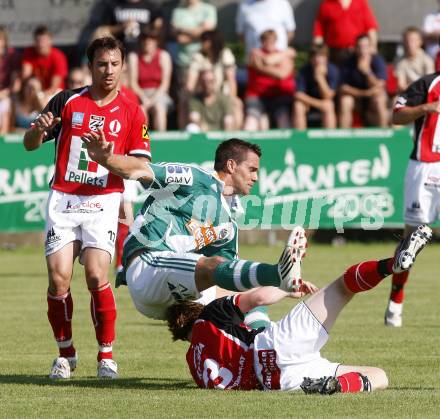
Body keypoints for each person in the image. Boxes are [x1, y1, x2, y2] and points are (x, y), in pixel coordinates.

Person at [166, 224, 432, 392]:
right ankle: (391, 265)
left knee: (378, 377)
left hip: (278, 381)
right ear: (196, 306)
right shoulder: (210, 315)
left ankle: (334, 387)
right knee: (342, 287)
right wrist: (286, 288)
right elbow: (256, 299)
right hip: (274, 346)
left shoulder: (194, 365)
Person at [23, 37, 152, 379]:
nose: (107, 71)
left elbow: (139, 167)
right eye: (101, 64)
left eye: (114, 64)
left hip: (104, 200)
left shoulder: (132, 111)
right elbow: (29, 143)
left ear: (122, 66)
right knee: (58, 279)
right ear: (90, 66)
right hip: (64, 199)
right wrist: (38, 132)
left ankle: (106, 355)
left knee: (96, 275)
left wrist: (106, 158)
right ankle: (65, 355)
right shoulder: (68, 101)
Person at [81, 136, 307, 321]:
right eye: (252, 169)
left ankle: (264, 354)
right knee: (215, 267)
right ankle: (277, 273)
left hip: (177, 294)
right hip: (147, 267)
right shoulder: (194, 178)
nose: (256, 177)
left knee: (244, 299)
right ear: (231, 165)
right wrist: (107, 158)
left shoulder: (229, 225)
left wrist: (285, 289)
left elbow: (228, 275)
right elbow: (141, 169)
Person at [385, 69, 440, 326]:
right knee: (412, 239)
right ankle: (396, 301)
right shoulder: (427, 84)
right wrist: (427, 107)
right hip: (425, 167)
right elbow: (397, 115)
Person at [186, 30, 243, 129]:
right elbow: (190, 82)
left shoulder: (225, 54)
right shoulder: (198, 56)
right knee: (184, 101)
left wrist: (232, 98)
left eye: (204, 41)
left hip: (222, 94)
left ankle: (235, 136)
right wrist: (191, 95)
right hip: (202, 94)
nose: (202, 43)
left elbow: (231, 79)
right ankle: (184, 135)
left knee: (237, 103)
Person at [244, 29, 295, 130]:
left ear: (276, 41)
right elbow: (267, 62)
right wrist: (283, 56)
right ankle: (243, 146)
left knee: (284, 120)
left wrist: (262, 67)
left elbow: (282, 74)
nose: (268, 43)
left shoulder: (283, 55)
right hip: (257, 96)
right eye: (265, 40)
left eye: (271, 41)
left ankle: (288, 146)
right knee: (252, 122)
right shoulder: (255, 52)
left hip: (280, 96)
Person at [339, 34, 388, 128]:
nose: (362, 50)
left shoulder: (377, 60)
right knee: (345, 101)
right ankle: (343, 137)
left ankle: (384, 134)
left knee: (380, 100)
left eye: (365, 46)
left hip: (373, 97)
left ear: (370, 48)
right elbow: (343, 87)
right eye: (360, 47)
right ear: (355, 48)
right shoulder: (348, 62)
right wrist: (364, 93)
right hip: (356, 97)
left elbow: (380, 85)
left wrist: (367, 71)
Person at [128, 29, 173, 131]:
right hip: (140, 93)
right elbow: (133, 83)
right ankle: (143, 139)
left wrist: (151, 100)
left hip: (159, 93)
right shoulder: (134, 56)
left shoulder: (164, 56)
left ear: (156, 41)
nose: (148, 42)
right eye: (145, 39)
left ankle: (162, 140)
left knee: (159, 108)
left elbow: (165, 84)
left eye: (151, 39)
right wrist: (144, 98)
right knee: (141, 110)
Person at [313, 0, 379, 66]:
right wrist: (318, 54)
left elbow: (371, 29)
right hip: (334, 54)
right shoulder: (326, 4)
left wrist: (373, 48)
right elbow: (318, 33)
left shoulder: (361, 3)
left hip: (358, 52)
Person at [293, 44, 339, 129]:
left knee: (329, 105)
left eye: (321, 56)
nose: (317, 59)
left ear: (326, 58)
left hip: (325, 101)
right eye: (314, 56)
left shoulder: (333, 70)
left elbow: (328, 96)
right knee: (298, 106)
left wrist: (320, 78)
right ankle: (300, 140)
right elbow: (298, 94)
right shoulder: (303, 71)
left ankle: (330, 139)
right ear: (310, 58)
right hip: (307, 103)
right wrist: (319, 104)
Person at [21, 25, 68, 104]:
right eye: (38, 40)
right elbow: (26, 76)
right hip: (35, 89)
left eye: (44, 40)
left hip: (55, 92)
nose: (40, 44)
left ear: (50, 41)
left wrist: (42, 96)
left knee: (46, 101)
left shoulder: (58, 56)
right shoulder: (29, 52)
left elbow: (54, 86)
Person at [394, 27, 434, 93]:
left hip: (424, 94)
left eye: (412, 40)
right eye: (407, 41)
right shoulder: (399, 61)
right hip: (407, 94)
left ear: (420, 42)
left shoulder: (427, 60)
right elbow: (401, 85)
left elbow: (429, 83)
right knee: (394, 101)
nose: (409, 44)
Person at [0, 26, 20, 134]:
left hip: (7, 96)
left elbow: (16, 86)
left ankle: (2, 140)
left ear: (4, 41)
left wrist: (4, 93)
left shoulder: (12, 56)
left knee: (5, 104)